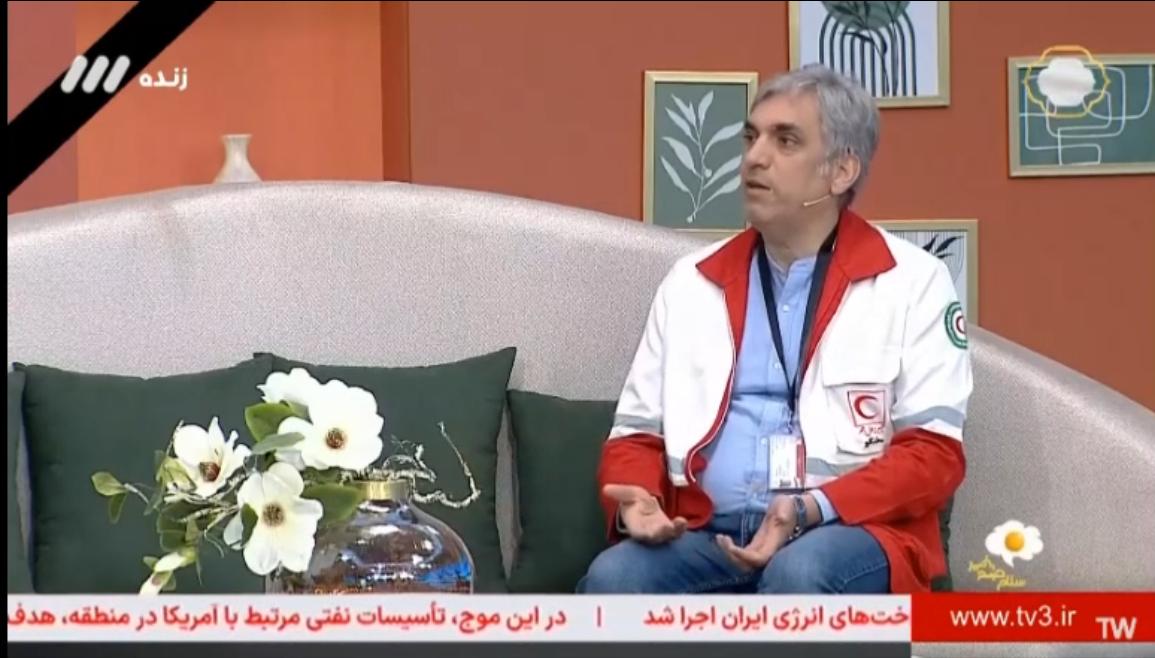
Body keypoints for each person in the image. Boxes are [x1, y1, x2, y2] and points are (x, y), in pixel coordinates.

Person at [577, 64, 971, 595]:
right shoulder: (690, 282)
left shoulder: (914, 281)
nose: (754, 157)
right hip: (708, 532)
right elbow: (636, 436)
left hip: (847, 530)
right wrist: (638, 500)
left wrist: (809, 508)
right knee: (615, 578)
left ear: (841, 171)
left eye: (785, 141)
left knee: (800, 572)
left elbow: (933, 456)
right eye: (751, 137)